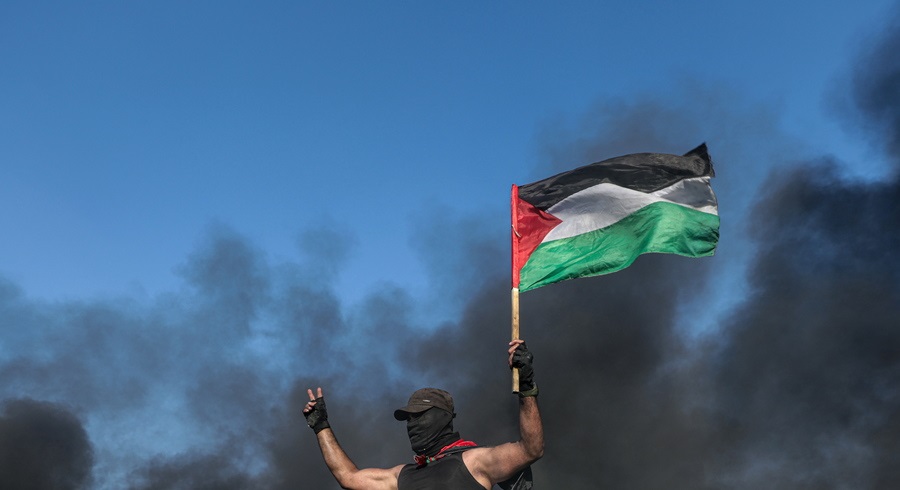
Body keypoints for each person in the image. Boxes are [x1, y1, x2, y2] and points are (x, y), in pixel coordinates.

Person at [303, 339, 543, 490]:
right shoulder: (402, 476)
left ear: (442, 417)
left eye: (419, 416)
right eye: (408, 419)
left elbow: (531, 449)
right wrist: (321, 426)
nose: (412, 424)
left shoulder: (474, 461)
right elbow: (348, 477)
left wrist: (526, 387)